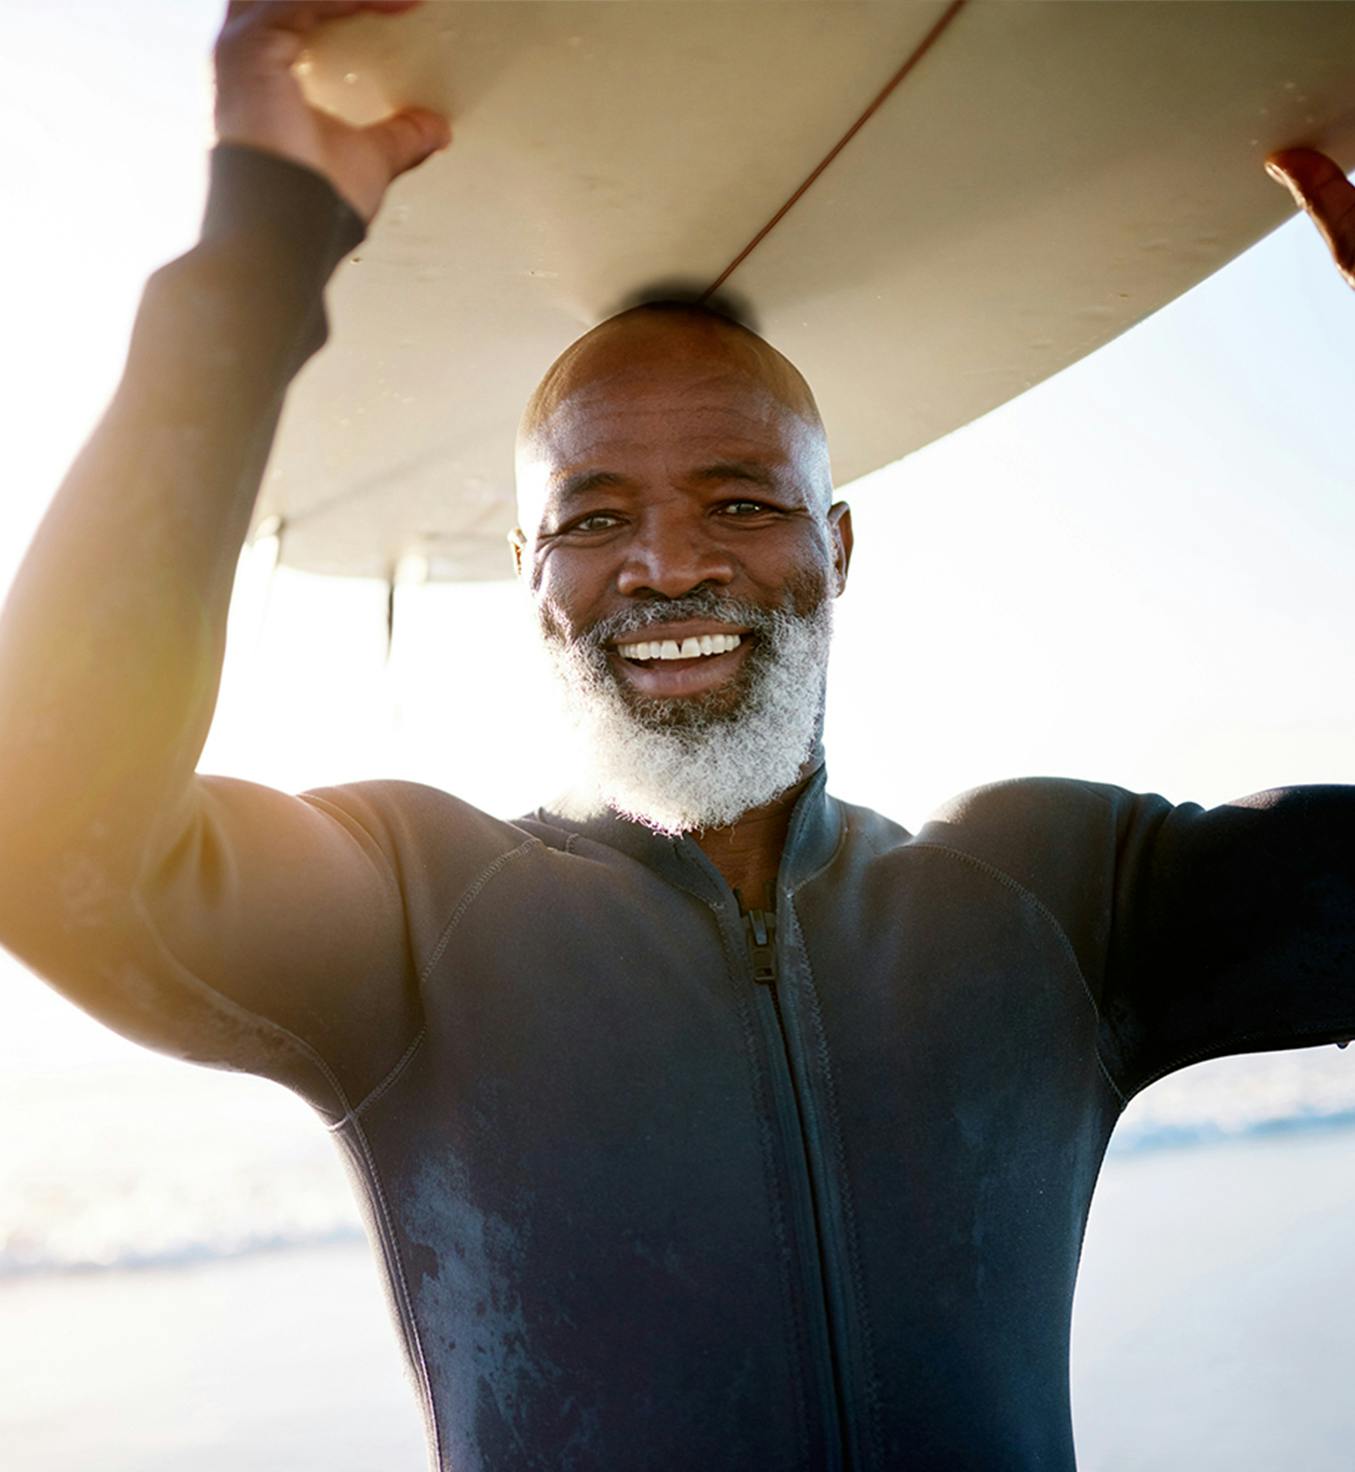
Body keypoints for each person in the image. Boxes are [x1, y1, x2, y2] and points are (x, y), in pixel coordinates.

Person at [0, 3, 1352, 1468]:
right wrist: (262, 246)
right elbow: (46, 830)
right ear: (528, 578)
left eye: (741, 501)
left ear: (839, 547)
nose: (665, 565)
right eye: (592, 519)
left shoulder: (1065, 896)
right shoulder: (410, 916)